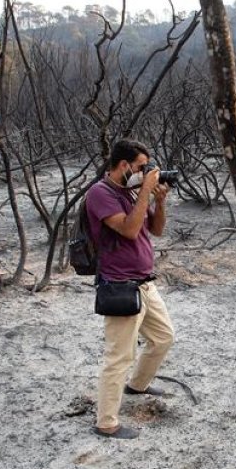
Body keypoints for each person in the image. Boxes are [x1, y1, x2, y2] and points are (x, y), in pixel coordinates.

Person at [86, 139, 175, 439]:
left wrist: (158, 200)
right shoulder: (100, 193)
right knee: (119, 356)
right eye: (140, 168)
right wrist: (145, 191)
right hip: (119, 286)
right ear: (123, 165)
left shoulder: (132, 192)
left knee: (163, 338)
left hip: (144, 282)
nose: (144, 173)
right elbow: (128, 229)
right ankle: (106, 422)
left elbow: (156, 230)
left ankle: (137, 385)